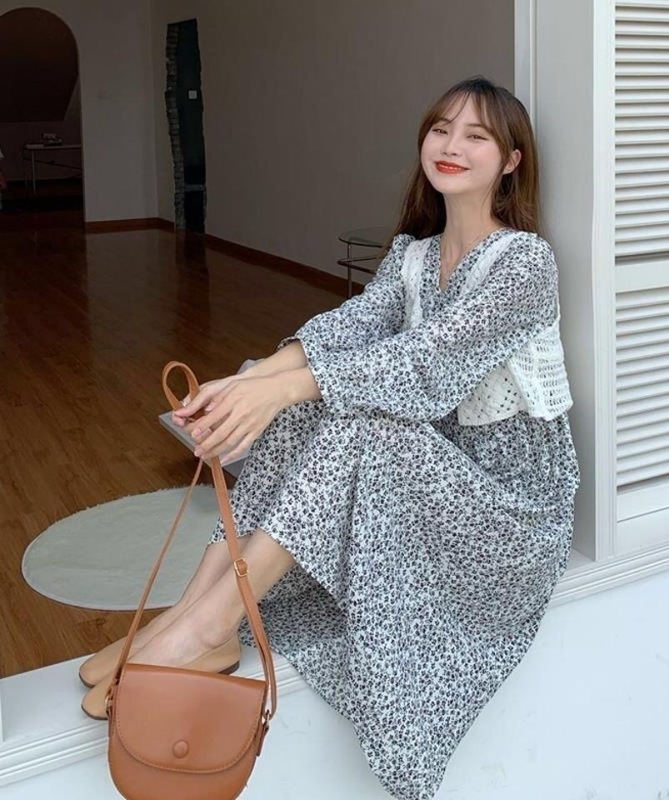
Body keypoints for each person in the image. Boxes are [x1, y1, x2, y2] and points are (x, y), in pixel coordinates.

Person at [78, 75, 580, 800]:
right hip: (439, 477)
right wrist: (247, 384)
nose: (451, 145)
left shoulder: (524, 264)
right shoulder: (414, 255)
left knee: (357, 419)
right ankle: (194, 613)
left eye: (477, 135)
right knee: (303, 407)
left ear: (511, 160)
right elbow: (350, 329)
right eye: (441, 128)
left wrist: (280, 389)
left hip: (507, 511)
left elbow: (426, 364)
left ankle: (211, 624)